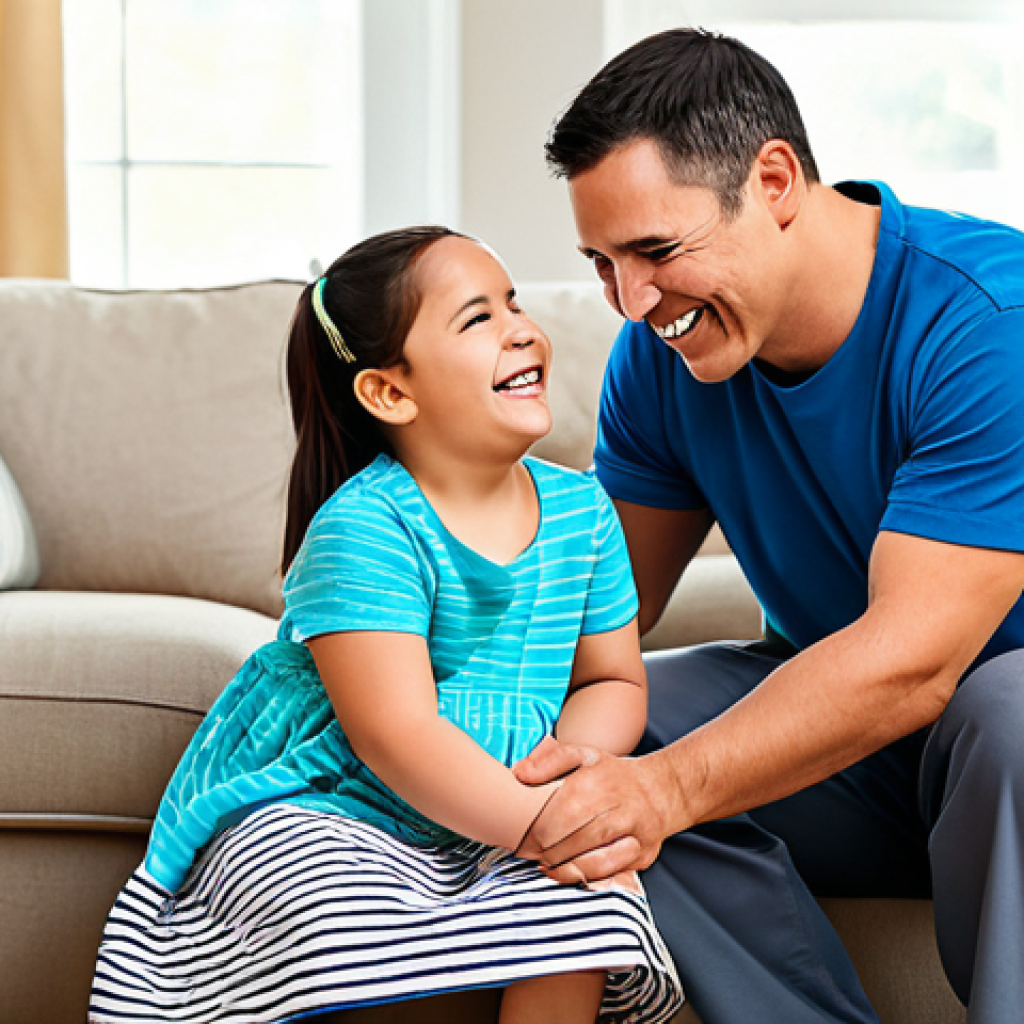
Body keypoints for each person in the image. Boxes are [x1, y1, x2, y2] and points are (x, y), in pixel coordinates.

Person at [514, 27, 1024, 1024]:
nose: (632, 302)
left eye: (656, 251)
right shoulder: (660, 358)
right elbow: (591, 614)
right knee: (598, 735)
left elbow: (917, 664)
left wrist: (666, 790)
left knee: (1010, 713)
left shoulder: (987, 325)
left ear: (776, 181)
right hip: (866, 763)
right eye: (603, 263)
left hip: (997, 744)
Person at [87, 226, 682, 1024]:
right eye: (478, 318)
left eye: (514, 304)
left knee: (594, 880)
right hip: (353, 800)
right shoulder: (367, 526)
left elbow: (612, 678)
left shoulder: (585, 512)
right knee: (299, 871)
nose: (520, 329)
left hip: (515, 792)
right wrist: (536, 825)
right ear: (390, 393)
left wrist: (566, 780)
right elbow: (395, 736)